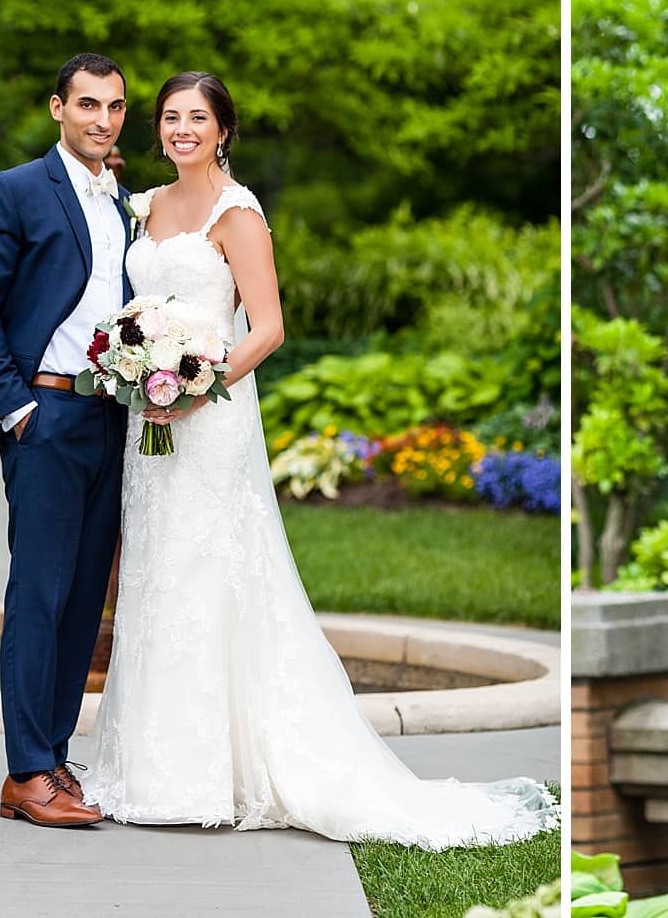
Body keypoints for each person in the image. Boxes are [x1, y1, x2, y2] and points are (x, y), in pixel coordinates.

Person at [80, 72, 558, 847]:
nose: (182, 130)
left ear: (224, 129)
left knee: (210, 572)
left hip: (210, 418)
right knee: (156, 574)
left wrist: (198, 384)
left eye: (198, 117)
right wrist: (139, 372)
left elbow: (266, 326)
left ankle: (218, 773)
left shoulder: (240, 214)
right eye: (170, 117)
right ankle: (151, 768)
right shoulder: (148, 207)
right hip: (148, 422)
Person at [0, 52, 132, 827]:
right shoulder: (16, 190)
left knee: (85, 598)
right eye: (88, 104)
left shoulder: (127, 201)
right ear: (57, 108)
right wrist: (16, 409)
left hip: (113, 417)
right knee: (39, 594)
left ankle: (54, 759)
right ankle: (24, 773)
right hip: (46, 417)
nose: (102, 119)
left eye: (115, 107)